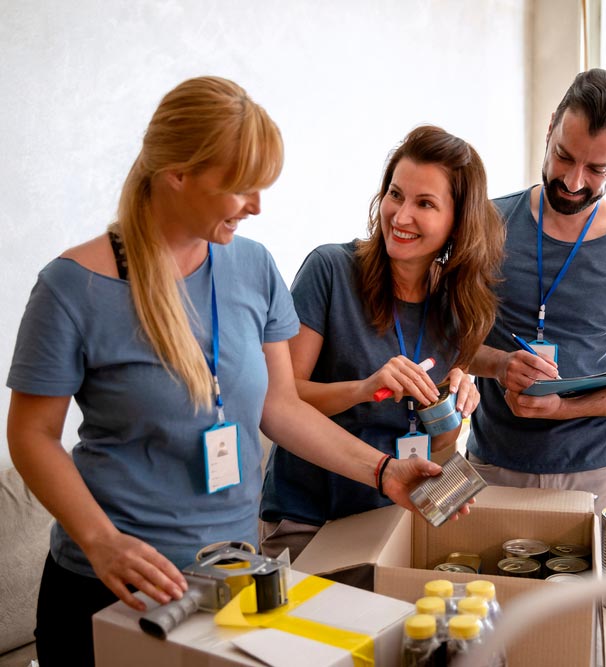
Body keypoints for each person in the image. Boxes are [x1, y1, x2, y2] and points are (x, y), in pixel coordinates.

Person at [5, 77, 465, 667]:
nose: (257, 206)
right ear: (178, 174)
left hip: (234, 580)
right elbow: (31, 435)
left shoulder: (253, 267)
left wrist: (384, 471)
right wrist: (102, 542)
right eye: (241, 187)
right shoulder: (71, 287)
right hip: (111, 587)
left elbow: (281, 407)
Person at [259, 125, 505, 560]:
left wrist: (451, 418)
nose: (401, 215)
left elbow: (441, 452)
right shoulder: (330, 270)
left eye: (424, 203)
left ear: (457, 223)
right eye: (396, 194)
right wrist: (362, 389)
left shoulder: (461, 309)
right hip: (307, 518)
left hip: (389, 517)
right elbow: (280, 398)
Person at [467, 68, 606, 512]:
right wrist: (500, 364)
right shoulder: (489, 222)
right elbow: (445, 338)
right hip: (491, 465)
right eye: (564, 156)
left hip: (590, 472)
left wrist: (564, 409)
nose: (573, 181)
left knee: (583, 586)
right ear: (550, 129)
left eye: (597, 168)